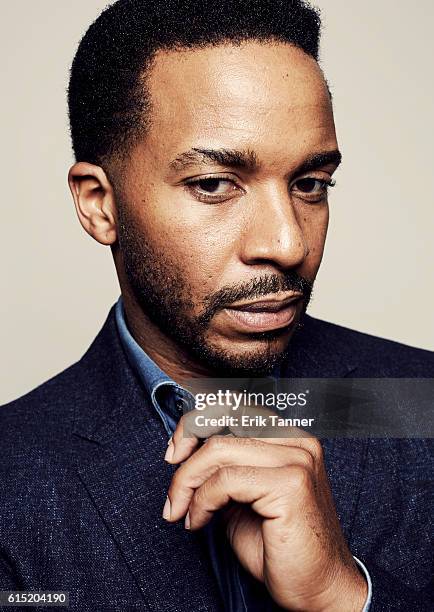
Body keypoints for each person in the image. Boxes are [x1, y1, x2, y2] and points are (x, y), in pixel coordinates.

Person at [0, 1, 432, 610]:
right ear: (100, 203)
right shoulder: (12, 475)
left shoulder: (423, 403)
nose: (287, 243)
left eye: (310, 184)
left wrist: (341, 595)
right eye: (213, 185)